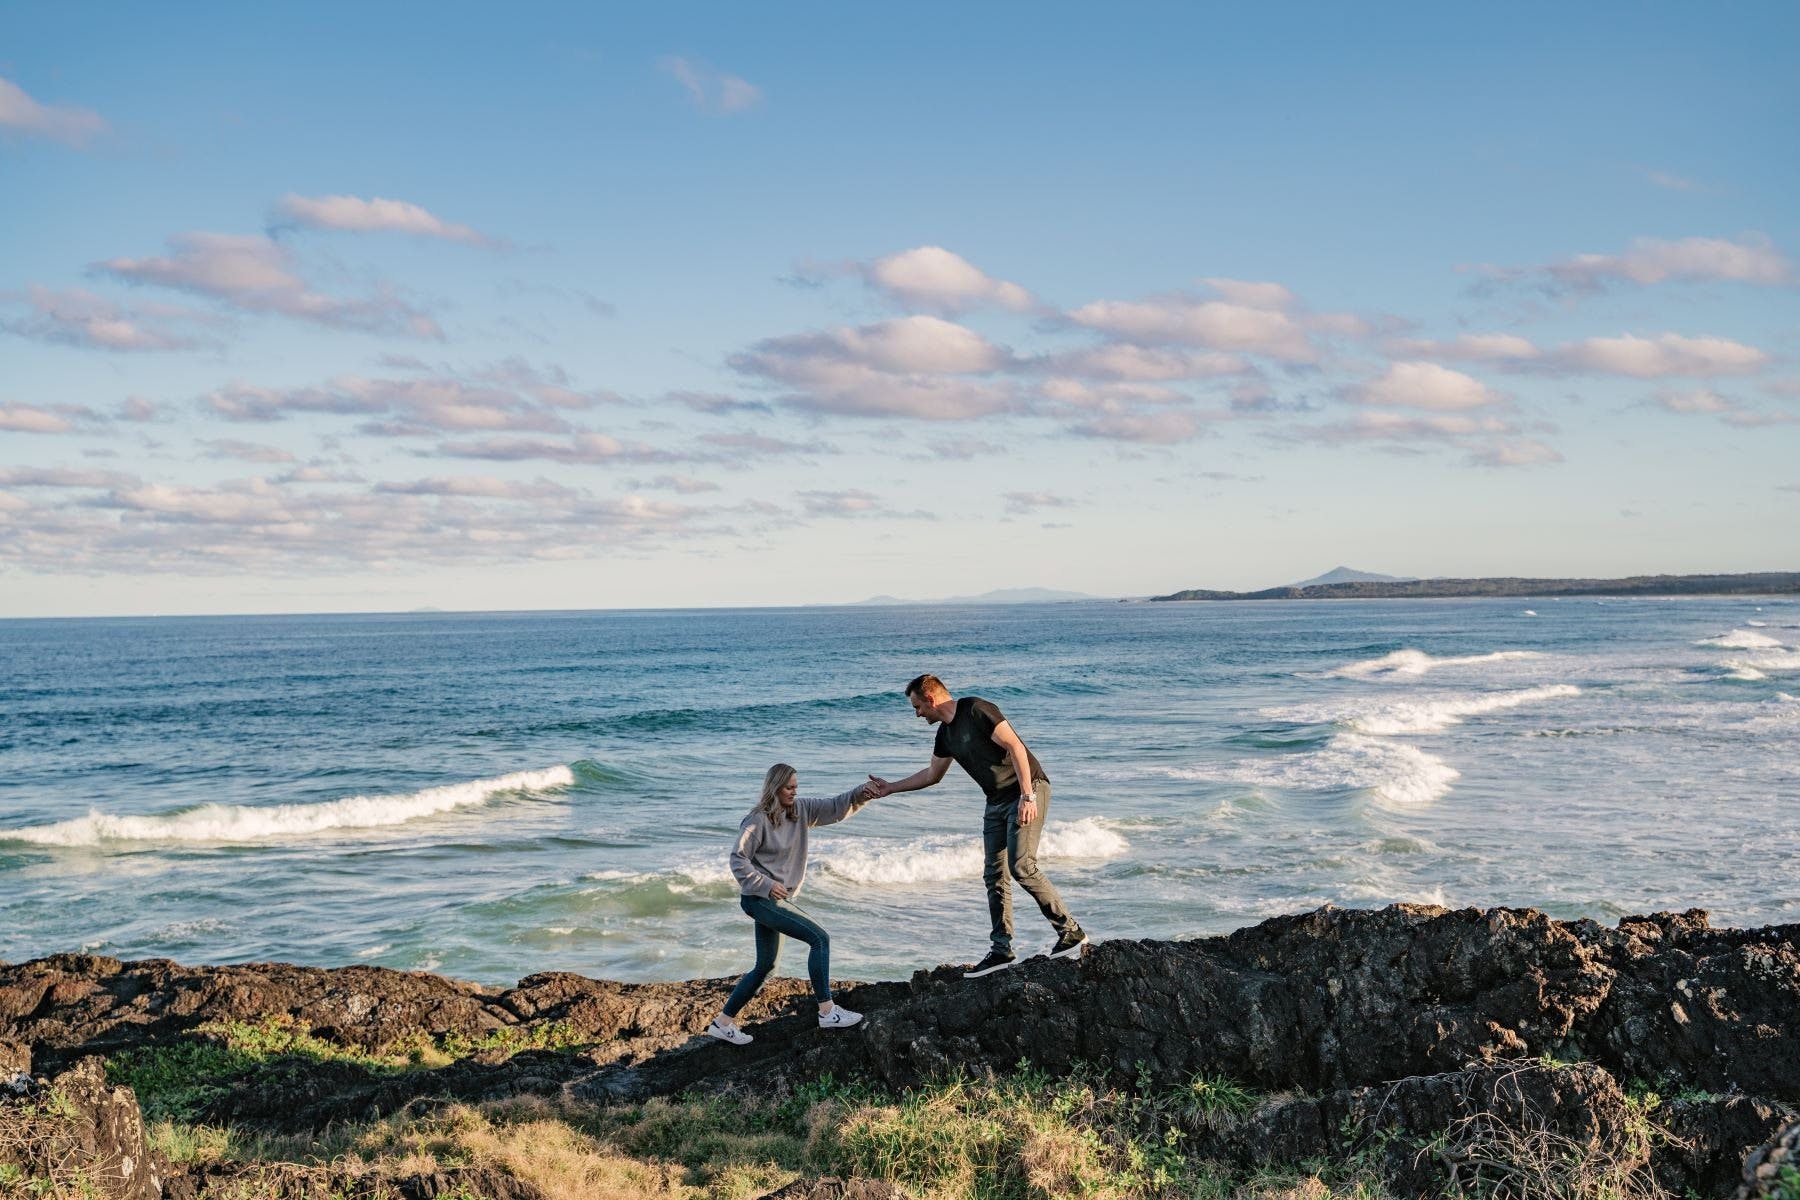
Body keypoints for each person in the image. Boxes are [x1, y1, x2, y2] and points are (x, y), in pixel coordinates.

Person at [866, 674, 1087, 978]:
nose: (917, 714)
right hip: (995, 800)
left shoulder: (976, 709)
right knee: (993, 874)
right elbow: (932, 774)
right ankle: (1001, 951)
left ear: (930, 699)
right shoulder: (944, 735)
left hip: (1027, 789)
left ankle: (1072, 932)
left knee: (1021, 865)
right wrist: (891, 787)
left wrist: (1027, 796)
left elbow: (1015, 747)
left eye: (917, 707)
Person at [706, 763, 872, 1045]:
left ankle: (723, 1023)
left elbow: (834, 806)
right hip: (759, 899)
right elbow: (738, 859)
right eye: (789, 787)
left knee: (766, 966)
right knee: (820, 938)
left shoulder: (801, 810)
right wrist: (768, 885)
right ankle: (827, 1011)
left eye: (797, 786)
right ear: (775, 788)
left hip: (773, 899)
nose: (795, 791)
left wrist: (863, 793)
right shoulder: (757, 821)